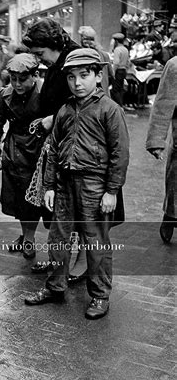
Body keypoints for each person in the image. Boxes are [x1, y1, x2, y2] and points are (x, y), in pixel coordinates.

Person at [23, 48, 130, 320]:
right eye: (71, 77)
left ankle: (99, 295)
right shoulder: (65, 110)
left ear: (97, 75)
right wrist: (48, 186)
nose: (77, 83)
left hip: (95, 185)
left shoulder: (109, 110)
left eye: (84, 75)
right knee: (58, 238)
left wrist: (111, 191)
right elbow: (54, 149)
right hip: (64, 184)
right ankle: (55, 287)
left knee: (95, 242)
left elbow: (120, 154)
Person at [22, 17, 82, 275]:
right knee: (59, 208)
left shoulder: (75, 60)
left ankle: (80, 263)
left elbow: (83, 103)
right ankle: (60, 259)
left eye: (39, 53)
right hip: (60, 143)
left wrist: (53, 118)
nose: (39, 59)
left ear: (52, 44)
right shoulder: (60, 59)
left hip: (76, 147)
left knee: (75, 208)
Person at [0, 54, 43, 259]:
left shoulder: (45, 93)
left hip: (39, 150)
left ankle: (33, 238)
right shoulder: (4, 95)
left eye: (22, 79)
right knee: (20, 199)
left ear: (34, 76)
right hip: (14, 151)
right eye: (13, 79)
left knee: (38, 199)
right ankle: (27, 236)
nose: (17, 84)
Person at [145, 56, 177, 243]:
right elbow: (163, 105)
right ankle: (171, 215)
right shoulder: (174, 66)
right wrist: (156, 140)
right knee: (175, 182)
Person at [78, 26, 114, 97]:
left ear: (83, 39)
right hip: (103, 95)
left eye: (82, 37)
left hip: (89, 95)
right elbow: (111, 75)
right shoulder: (104, 54)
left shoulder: (80, 54)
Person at [110, 32, 130, 107]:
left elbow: (116, 63)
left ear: (116, 41)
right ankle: (121, 104)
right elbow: (128, 62)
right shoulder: (125, 49)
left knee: (115, 90)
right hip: (123, 70)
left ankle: (119, 105)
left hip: (118, 71)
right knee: (120, 89)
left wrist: (113, 72)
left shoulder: (117, 50)